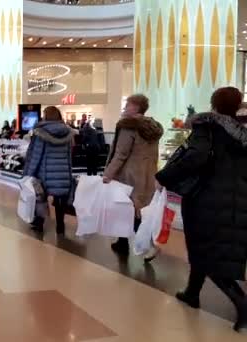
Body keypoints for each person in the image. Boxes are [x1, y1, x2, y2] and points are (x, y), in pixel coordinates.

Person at [155, 87, 247, 332]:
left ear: (213, 103)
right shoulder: (242, 133)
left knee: (206, 251)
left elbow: (195, 157)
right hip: (238, 198)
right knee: (207, 246)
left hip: (206, 196)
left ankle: (243, 304)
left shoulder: (206, 126)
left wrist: (164, 176)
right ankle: (192, 293)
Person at [103, 94, 164, 257]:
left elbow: (121, 153)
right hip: (148, 173)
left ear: (136, 107)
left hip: (128, 175)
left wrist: (108, 174)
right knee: (138, 209)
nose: (125, 107)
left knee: (130, 210)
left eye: (128, 104)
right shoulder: (153, 127)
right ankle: (122, 242)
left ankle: (150, 244)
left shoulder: (128, 126)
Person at [23, 106, 74, 234]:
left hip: (44, 173)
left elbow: (36, 155)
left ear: (46, 116)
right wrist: (68, 173)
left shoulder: (40, 132)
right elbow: (69, 155)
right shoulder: (68, 132)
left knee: (40, 198)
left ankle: (39, 224)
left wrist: (29, 173)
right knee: (60, 200)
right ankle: (60, 226)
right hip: (62, 173)